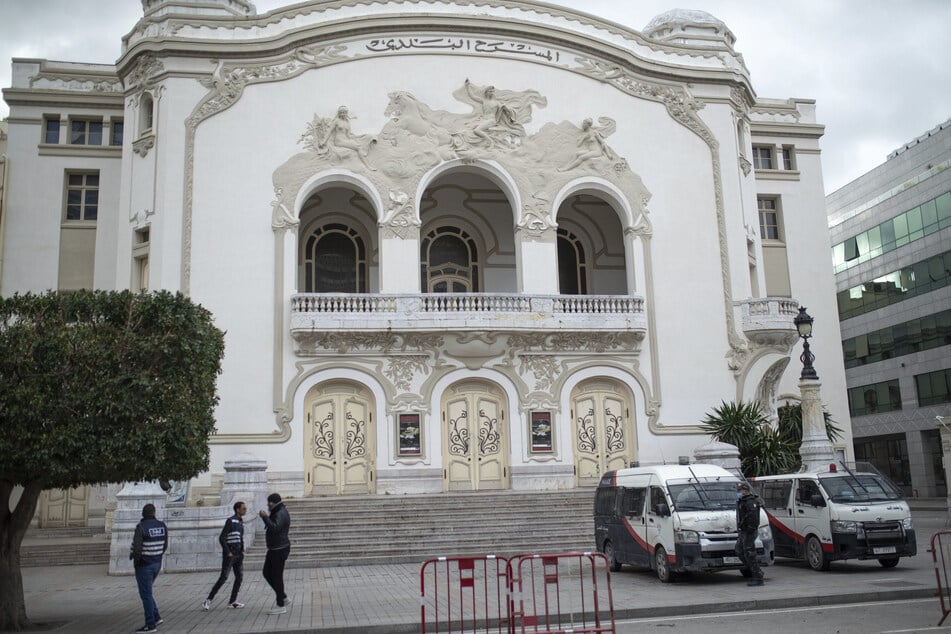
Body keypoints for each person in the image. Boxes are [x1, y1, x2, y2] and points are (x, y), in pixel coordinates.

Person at [202, 501, 248, 610]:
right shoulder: (231, 521)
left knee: (239, 577)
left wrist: (241, 551)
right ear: (237, 509)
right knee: (223, 577)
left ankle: (232, 601)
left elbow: (240, 538)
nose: (245, 510)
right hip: (230, 554)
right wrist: (228, 551)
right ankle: (208, 600)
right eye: (243, 508)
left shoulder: (241, 522)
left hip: (238, 554)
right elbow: (222, 537)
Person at [130, 503, 168, 633]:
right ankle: (156, 617)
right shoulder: (162, 525)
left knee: (145, 594)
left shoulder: (141, 527)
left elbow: (137, 549)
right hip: (156, 563)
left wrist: (136, 563)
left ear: (143, 514)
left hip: (144, 565)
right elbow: (165, 545)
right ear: (154, 513)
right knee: (147, 592)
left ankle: (150, 624)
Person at [259, 492, 292, 614]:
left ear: (272, 502)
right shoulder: (278, 511)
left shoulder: (280, 513)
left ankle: (280, 605)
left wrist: (264, 517)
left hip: (279, 549)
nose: (267, 504)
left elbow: (274, 528)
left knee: (277, 577)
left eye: (269, 502)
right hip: (274, 548)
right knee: (266, 572)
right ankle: (283, 596)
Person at [735, 482, 764, 586]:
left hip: (749, 531)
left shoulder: (750, 502)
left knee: (749, 553)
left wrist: (750, 529)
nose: (738, 493)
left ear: (745, 490)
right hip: (743, 530)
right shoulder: (742, 501)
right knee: (739, 550)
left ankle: (757, 576)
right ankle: (756, 571)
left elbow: (753, 517)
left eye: (740, 491)